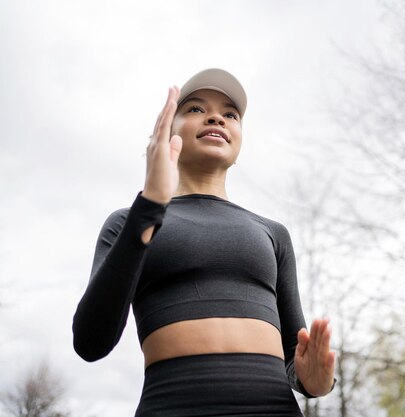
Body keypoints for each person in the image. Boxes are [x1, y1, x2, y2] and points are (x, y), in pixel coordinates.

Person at [72, 68, 336, 417]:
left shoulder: (272, 233)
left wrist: (314, 383)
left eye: (230, 114)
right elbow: (91, 342)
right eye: (195, 108)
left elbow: (294, 356)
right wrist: (150, 205)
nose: (216, 117)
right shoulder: (128, 222)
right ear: (167, 134)